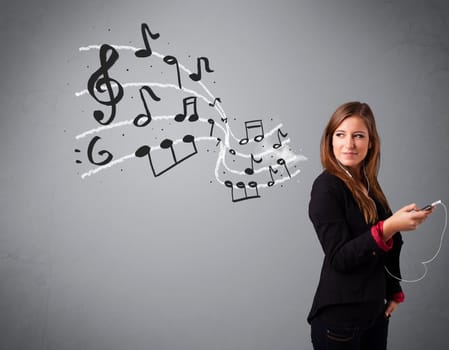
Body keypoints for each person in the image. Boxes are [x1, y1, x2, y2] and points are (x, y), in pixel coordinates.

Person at [307, 101, 434, 350]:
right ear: (330, 140)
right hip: (340, 322)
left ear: (371, 142)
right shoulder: (326, 187)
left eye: (358, 136)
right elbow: (340, 257)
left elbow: (387, 245)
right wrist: (389, 226)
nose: (349, 144)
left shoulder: (368, 184)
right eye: (341, 135)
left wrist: (394, 290)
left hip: (375, 314)